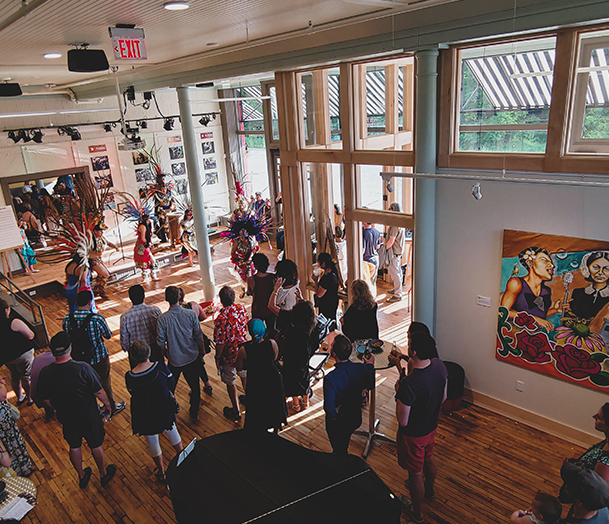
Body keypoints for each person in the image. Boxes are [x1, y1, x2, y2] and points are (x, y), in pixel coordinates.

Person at [37, 331, 116, 488]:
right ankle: (103, 473)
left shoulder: (45, 373)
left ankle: (81, 476)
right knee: (95, 445)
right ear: (69, 348)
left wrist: (56, 407)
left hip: (67, 417)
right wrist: (107, 405)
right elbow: (99, 391)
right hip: (89, 415)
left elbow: (44, 399)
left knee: (74, 446)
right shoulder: (82, 368)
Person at [388, 331, 448, 524]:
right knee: (429, 458)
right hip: (431, 428)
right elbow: (444, 397)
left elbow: (403, 420)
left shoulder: (409, 385)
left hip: (413, 436)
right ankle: (430, 489)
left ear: (413, 352)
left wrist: (399, 391)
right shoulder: (439, 366)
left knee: (415, 473)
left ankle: (417, 512)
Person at [125, 341, 183, 483]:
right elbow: (171, 383)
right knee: (172, 431)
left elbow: (132, 392)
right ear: (148, 352)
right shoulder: (160, 367)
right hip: (163, 407)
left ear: (132, 357)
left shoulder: (130, 376)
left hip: (144, 413)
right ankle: (183, 456)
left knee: (152, 440)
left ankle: (162, 471)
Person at [62, 290, 125, 418]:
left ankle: (92, 406)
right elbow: (108, 335)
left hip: (78, 359)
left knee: (84, 384)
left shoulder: (67, 319)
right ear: (90, 302)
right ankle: (111, 407)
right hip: (98, 356)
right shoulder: (97, 318)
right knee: (104, 382)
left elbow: (66, 334)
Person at [157, 286, 212, 421]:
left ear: (166, 299)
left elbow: (160, 343)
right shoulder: (190, 314)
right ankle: (194, 412)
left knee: (170, 388)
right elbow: (198, 336)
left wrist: (166, 355)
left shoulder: (162, 319)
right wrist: (202, 350)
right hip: (191, 356)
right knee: (195, 386)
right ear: (180, 297)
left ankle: (171, 411)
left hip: (174, 359)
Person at [323, 334, 375, 454]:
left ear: (334, 355)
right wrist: (370, 366)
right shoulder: (361, 368)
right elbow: (370, 384)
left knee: (339, 450)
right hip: (356, 417)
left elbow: (329, 409)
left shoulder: (330, 379)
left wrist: (337, 411)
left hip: (339, 422)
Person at [235, 319, 287, 433]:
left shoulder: (244, 349)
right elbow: (274, 358)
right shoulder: (272, 343)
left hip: (256, 378)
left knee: (257, 405)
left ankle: (259, 431)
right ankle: (276, 430)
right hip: (272, 377)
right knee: (274, 402)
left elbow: (239, 367)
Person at [501, 246, 560, 332]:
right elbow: (504, 311)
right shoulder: (516, 283)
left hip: (534, 336)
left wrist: (555, 310)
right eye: (544, 260)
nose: (551, 265)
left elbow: (539, 316)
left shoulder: (546, 291)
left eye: (550, 262)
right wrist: (534, 319)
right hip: (513, 333)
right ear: (529, 262)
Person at [214, 286, 249, 421]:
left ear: (221, 300)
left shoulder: (221, 318)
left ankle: (236, 411)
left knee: (230, 381)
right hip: (243, 350)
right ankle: (250, 403)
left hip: (229, 354)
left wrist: (218, 357)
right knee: (245, 378)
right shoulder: (242, 309)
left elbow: (220, 342)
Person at [282, 300, 317, 412]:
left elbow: (272, 306)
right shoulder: (310, 329)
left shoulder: (293, 329)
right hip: (304, 358)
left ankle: (296, 404)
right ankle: (306, 402)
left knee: (291, 380)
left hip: (291, 358)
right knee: (304, 377)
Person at [0, 299, 35, 406]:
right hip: (23, 354)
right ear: (6, 310)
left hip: (7, 357)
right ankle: (30, 398)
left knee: (14, 376)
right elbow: (30, 335)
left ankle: (19, 398)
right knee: (26, 376)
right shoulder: (14, 322)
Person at [565, 403, 609, 485]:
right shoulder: (606, 441)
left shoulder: (604, 464)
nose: (593, 416)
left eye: (599, 417)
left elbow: (594, 490)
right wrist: (578, 462)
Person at [563, 252, 609, 328]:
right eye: (596, 267)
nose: (600, 272)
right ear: (588, 268)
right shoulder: (578, 293)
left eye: (606, 269)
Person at [120, 285, 162, 365]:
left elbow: (124, 337)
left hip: (136, 351)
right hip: (154, 347)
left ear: (130, 298)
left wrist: (127, 349)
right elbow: (161, 329)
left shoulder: (125, 317)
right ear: (144, 295)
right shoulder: (155, 310)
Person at [247, 253, 276, 333]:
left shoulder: (251, 279)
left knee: (256, 332)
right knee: (271, 330)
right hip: (270, 309)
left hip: (257, 309)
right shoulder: (272, 277)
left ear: (255, 266)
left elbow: (249, 292)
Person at [90, 223, 118, 299]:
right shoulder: (90, 241)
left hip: (98, 259)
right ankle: (101, 290)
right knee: (105, 275)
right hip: (92, 260)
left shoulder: (101, 238)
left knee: (101, 275)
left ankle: (97, 290)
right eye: (100, 231)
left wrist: (115, 247)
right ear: (95, 231)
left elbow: (108, 243)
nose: (102, 232)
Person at [385, 202, 406, 303]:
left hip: (394, 252)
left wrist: (384, 250)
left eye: (390, 209)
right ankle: (398, 289)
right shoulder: (401, 222)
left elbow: (391, 240)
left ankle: (398, 294)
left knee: (395, 273)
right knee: (398, 272)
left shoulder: (394, 224)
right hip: (399, 251)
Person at [313, 252, 340, 321]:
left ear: (323, 264)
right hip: (332, 303)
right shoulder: (333, 272)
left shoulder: (327, 277)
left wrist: (315, 281)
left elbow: (319, 294)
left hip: (326, 305)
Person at [134, 214, 160, 282]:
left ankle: (151, 276)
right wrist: (149, 243)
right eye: (147, 220)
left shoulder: (144, 226)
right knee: (146, 260)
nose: (148, 221)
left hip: (142, 245)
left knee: (151, 260)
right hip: (142, 246)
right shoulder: (143, 227)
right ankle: (147, 276)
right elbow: (143, 238)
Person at [362, 222, 382, 296]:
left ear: (364, 222)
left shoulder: (363, 233)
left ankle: (368, 301)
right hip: (375, 259)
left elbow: (362, 250)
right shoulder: (376, 232)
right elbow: (378, 246)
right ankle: (373, 299)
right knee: (373, 282)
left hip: (367, 261)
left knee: (366, 283)